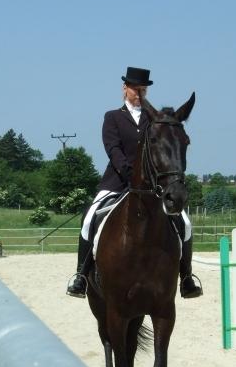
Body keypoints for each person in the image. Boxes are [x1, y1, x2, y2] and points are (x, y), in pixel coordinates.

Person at [66, 66, 202, 299]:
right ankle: (81, 276)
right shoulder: (113, 117)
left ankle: (186, 278)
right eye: (135, 89)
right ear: (125, 88)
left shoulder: (154, 119)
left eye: (143, 90)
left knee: (185, 223)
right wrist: (128, 172)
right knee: (89, 218)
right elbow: (113, 148)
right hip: (117, 181)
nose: (139, 93)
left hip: (150, 187)